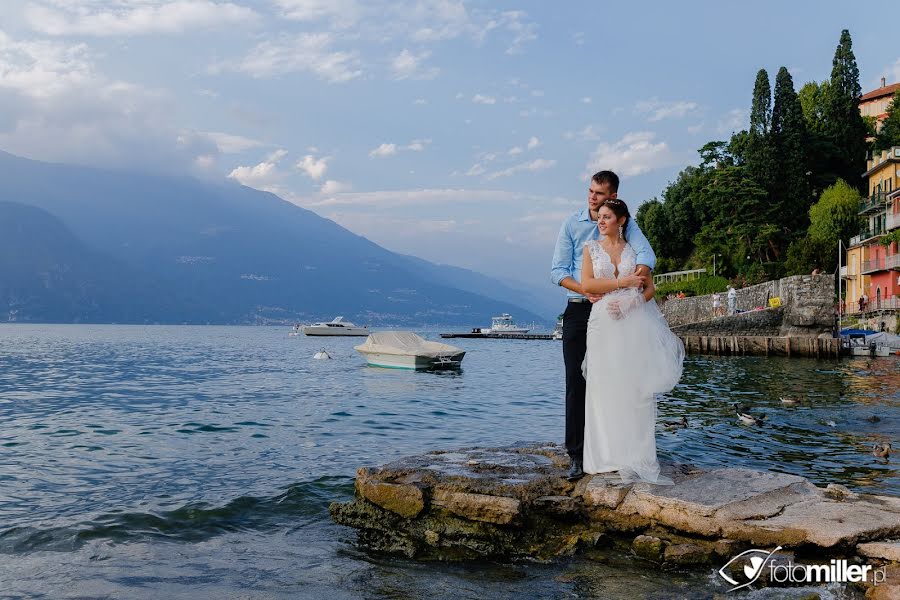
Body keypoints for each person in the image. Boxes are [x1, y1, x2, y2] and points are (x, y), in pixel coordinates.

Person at [550, 170, 655, 481]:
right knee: (575, 382)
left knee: (615, 380)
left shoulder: (627, 223)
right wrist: (590, 290)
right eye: (591, 191)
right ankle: (575, 455)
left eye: (599, 193)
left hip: (616, 314)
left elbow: (647, 254)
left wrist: (630, 287)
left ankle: (617, 450)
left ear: (613, 196)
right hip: (579, 309)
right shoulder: (572, 224)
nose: (592, 197)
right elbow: (556, 270)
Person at [579, 198, 684, 485]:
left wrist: (631, 305)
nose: (600, 221)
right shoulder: (590, 249)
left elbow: (650, 289)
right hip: (601, 322)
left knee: (632, 385)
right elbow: (587, 284)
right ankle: (603, 457)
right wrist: (620, 285)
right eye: (598, 217)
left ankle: (633, 454)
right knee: (602, 384)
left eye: (607, 216)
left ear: (621, 221)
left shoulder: (635, 252)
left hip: (630, 320)